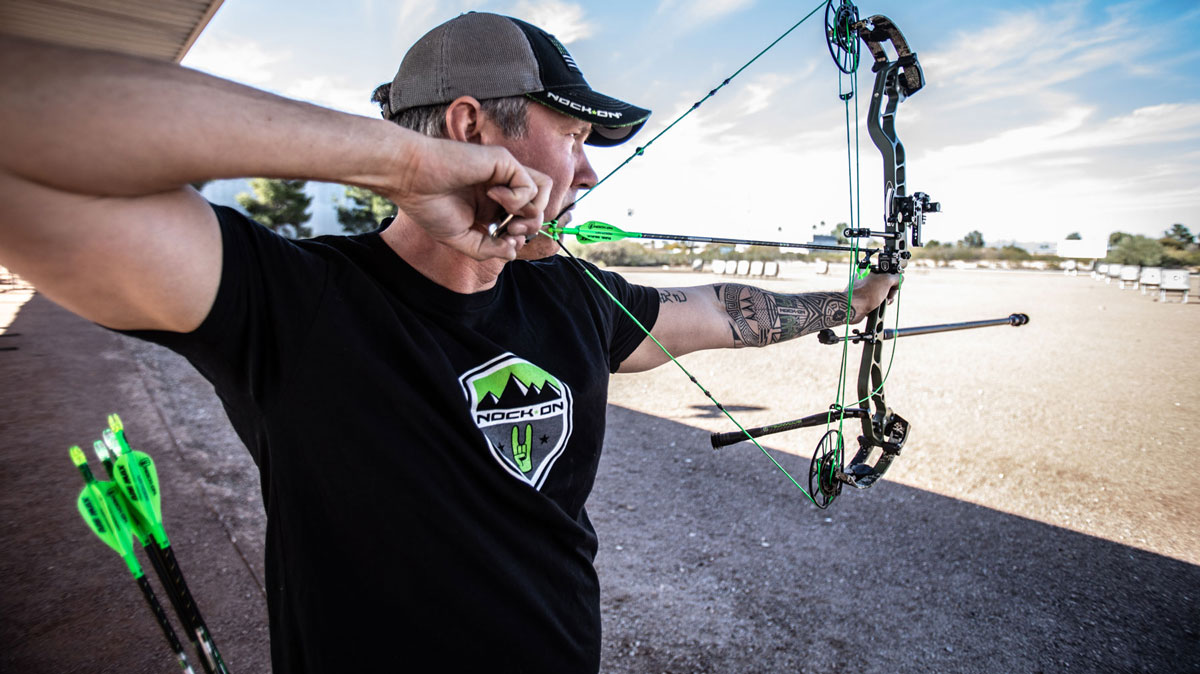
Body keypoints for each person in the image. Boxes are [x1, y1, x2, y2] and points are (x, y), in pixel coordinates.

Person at [0, 12, 898, 673]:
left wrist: (850, 299)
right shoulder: (290, 301)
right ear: (471, 129)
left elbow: (716, 308)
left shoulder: (572, 296)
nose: (588, 169)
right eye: (575, 135)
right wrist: (398, 161)